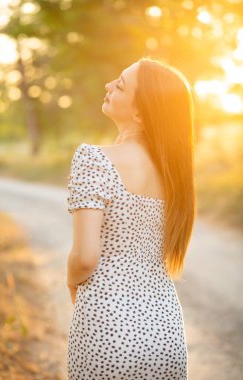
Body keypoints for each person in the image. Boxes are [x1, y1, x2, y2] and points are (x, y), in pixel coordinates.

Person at [66, 56, 196, 379]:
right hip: (166, 332)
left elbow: (85, 258)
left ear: (140, 111)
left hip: (107, 327)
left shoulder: (93, 159)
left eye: (120, 85)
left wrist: (71, 282)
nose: (108, 86)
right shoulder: (175, 174)